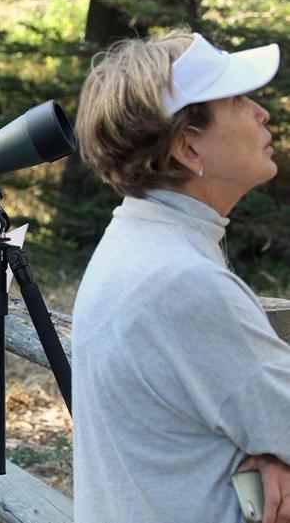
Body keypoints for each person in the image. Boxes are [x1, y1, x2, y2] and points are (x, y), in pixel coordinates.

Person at [73, 30, 290, 523]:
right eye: (237, 100)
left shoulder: (137, 242)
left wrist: (271, 457)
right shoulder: (184, 281)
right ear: (189, 150)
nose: (262, 113)